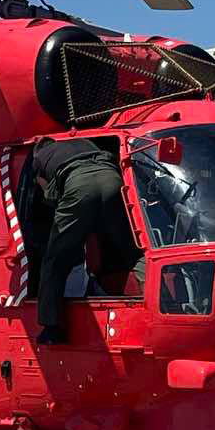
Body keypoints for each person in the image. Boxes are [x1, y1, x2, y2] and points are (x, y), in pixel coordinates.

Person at [30, 137, 141, 346]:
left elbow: (53, 197)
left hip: (79, 185)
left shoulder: (39, 157)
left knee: (54, 260)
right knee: (133, 251)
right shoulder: (84, 143)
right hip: (113, 180)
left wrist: (41, 185)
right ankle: (159, 300)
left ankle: (51, 328)